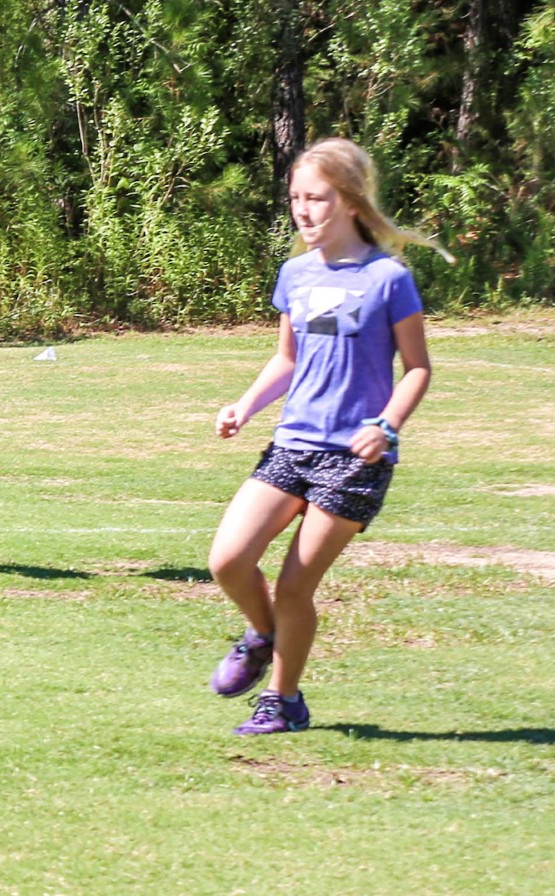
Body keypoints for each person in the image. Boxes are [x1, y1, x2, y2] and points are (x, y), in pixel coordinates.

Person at [207, 137, 444, 736]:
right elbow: (286, 359)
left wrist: (386, 425)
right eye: (295, 198)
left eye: (316, 198)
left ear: (350, 202)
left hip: (353, 458)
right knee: (228, 560)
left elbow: (417, 368)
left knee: (293, 584)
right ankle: (263, 635)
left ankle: (283, 701)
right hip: (293, 444)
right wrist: (246, 404)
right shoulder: (296, 274)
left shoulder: (389, 279)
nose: (303, 211)